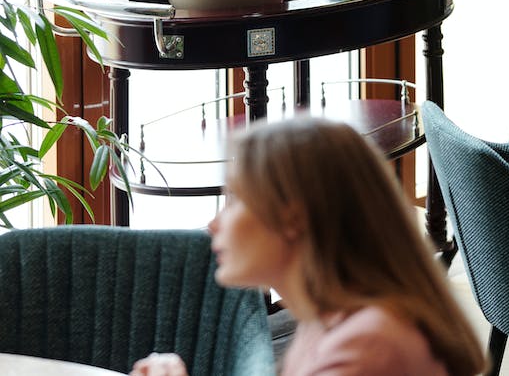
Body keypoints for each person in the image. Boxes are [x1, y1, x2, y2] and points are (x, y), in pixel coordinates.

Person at [130, 117, 487, 376]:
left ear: (293, 219)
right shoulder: (327, 320)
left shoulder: (367, 348)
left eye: (236, 201)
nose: (214, 224)